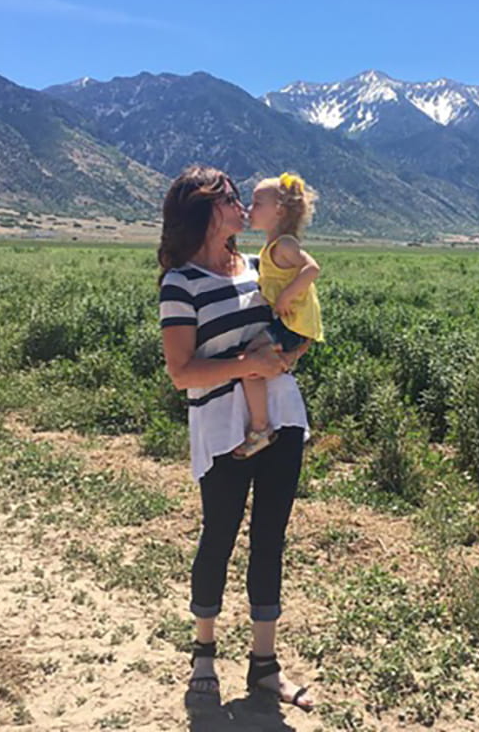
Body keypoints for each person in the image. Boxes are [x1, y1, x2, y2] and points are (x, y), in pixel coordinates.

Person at [158, 165, 313, 711]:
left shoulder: (255, 267)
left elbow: (289, 324)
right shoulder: (181, 282)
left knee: (270, 537)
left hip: (282, 418)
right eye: (229, 198)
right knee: (219, 535)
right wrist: (247, 364)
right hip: (223, 430)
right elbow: (182, 371)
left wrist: (288, 355)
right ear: (204, 210)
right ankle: (204, 654)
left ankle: (264, 666)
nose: (241, 207)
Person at [232, 172, 323, 459]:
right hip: (291, 323)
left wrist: (286, 296)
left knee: (250, 361)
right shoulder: (272, 247)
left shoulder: (285, 244)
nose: (249, 209)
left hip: (293, 323)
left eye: (258, 203)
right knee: (259, 358)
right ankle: (283, 364)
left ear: (279, 211)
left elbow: (312, 269)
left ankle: (260, 428)